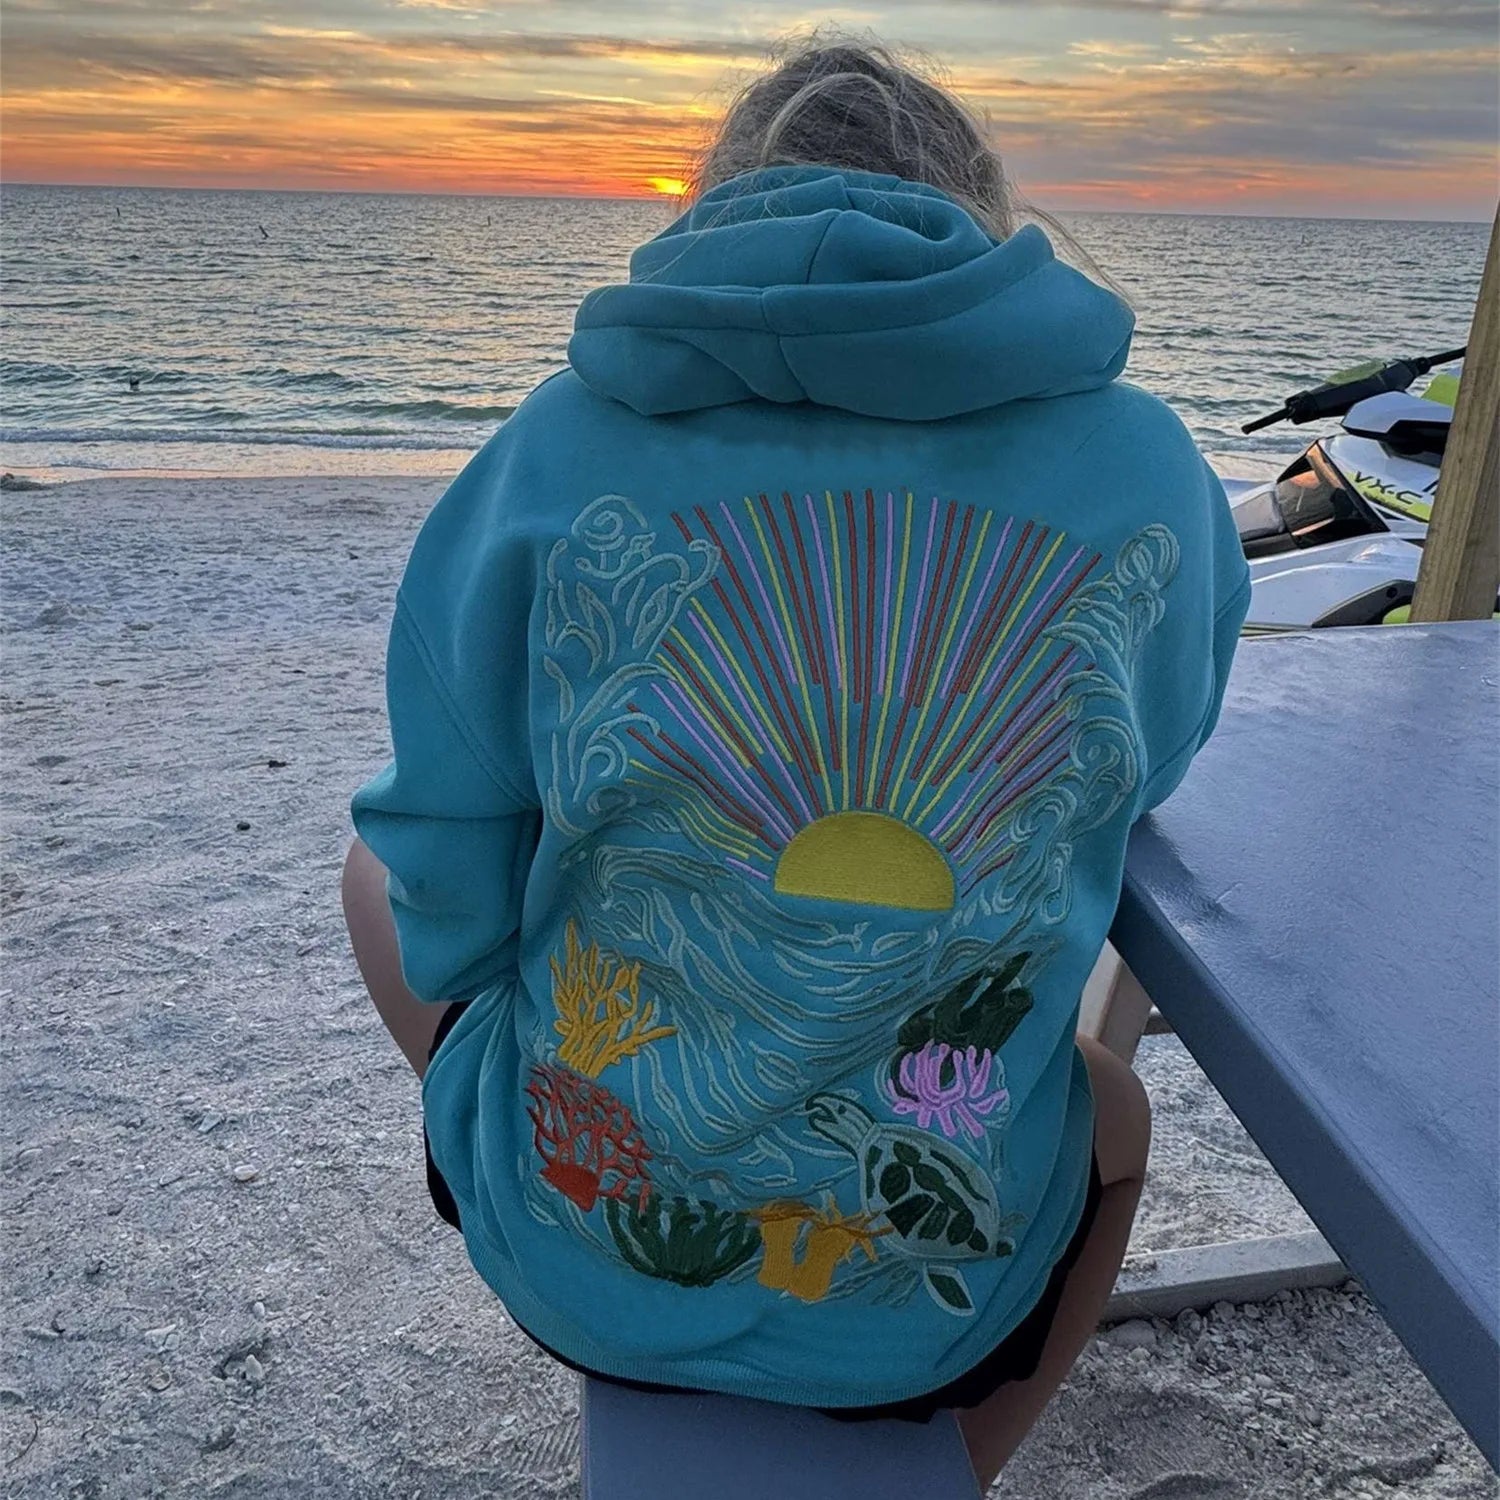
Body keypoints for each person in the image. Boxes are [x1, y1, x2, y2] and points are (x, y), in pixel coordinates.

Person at [343, 35, 1250, 1488]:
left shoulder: (555, 444)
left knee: (373, 873)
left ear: (712, 209)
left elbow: (443, 850)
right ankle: (970, 1457)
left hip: (580, 1264)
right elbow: (1150, 763)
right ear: (981, 220)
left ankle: (571, 1148)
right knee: (1112, 1103)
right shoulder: (1144, 463)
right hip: (928, 1323)